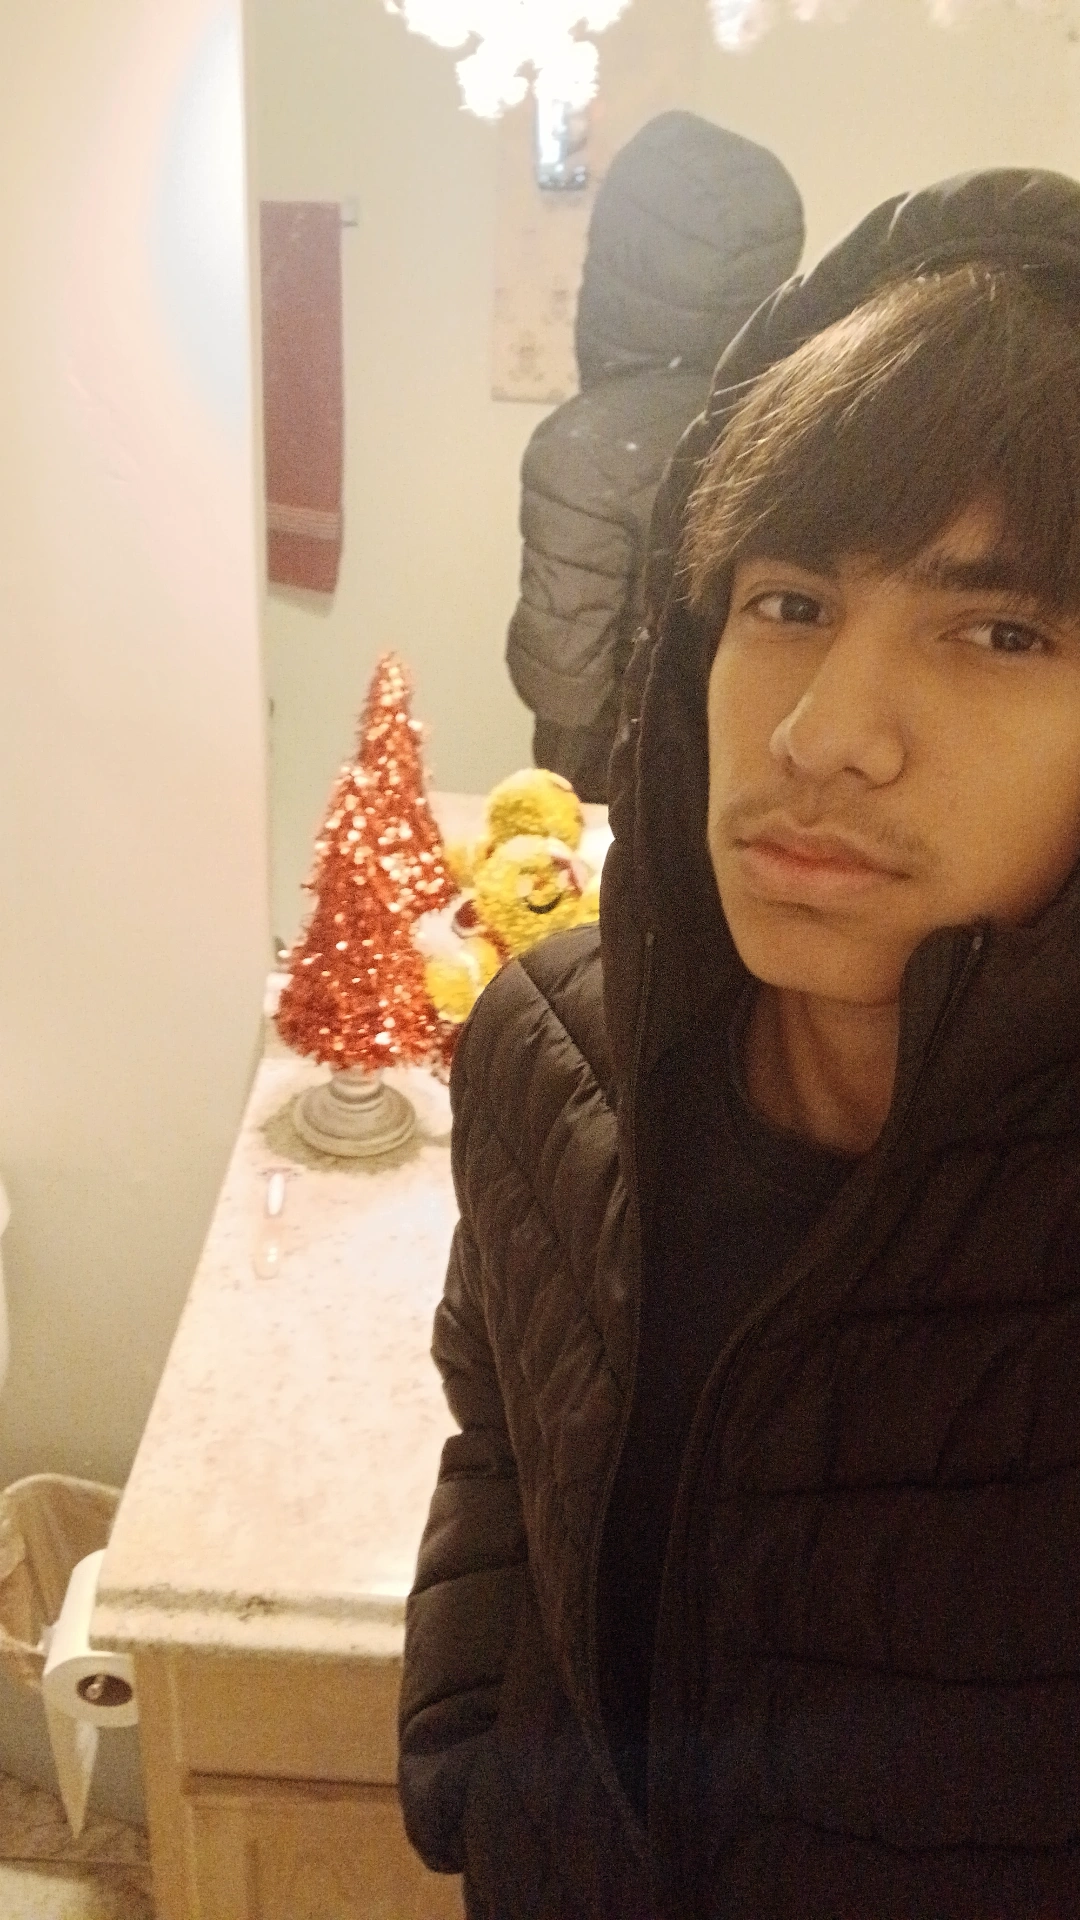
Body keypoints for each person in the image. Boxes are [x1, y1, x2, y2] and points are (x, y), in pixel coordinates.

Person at [400, 168, 1080, 1919]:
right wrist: (473, 1750)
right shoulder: (550, 1051)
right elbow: (501, 1416)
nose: (824, 732)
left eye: (999, 630)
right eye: (787, 602)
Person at [506, 109, 804, 802]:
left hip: (622, 793)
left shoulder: (584, 448)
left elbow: (563, 684)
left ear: (618, 262)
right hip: (759, 774)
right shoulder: (790, 415)